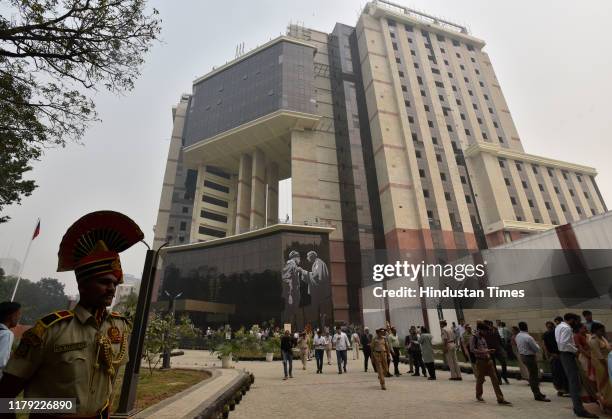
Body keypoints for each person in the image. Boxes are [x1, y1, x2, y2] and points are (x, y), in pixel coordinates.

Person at [0, 211, 141, 418]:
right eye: (103, 282)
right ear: (83, 286)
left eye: (114, 283)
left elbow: (108, 383)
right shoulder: (49, 330)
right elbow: (5, 395)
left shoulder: (118, 327)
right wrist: (62, 408)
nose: (111, 288)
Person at [556, 312, 599, 418]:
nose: (577, 324)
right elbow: (564, 344)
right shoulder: (567, 328)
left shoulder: (559, 326)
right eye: (577, 321)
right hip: (567, 355)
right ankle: (580, 410)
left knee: (574, 382)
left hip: (564, 355)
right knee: (574, 383)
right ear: (571, 320)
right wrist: (575, 350)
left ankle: (577, 408)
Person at [470, 322, 511, 405]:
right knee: (480, 379)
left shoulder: (483, 338)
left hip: (488, 360)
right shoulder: (474, 338)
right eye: (485, 331)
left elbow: (485, 347)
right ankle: (479, 395)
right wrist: (484, 351)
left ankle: (500, 398)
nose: (486, 332)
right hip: (480, 361)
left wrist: (489, 351)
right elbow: (472, 349)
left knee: (495, 379)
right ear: (480, 330)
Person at [514, 322, 550, 402]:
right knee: (534, 376)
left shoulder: (518, 336)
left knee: (532, 374)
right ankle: (537, 394)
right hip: (529, 357)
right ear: (527, 327)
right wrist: (537, 345)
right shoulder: (528, 337)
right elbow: (536, 349)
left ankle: (537, 393)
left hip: (523, 356)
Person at [589, 322, 611, 413]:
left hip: (607, 362)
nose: (603, 332)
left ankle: (609, 402)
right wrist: (607, 367)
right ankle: (605, 403)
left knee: (609, 384)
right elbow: (599, 355)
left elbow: (608, 348)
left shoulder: (602, 338)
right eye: (601, 330)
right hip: (601, 364)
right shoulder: (593, 340)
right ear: (595, 330)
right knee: (604, 383)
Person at [543, 320, 569, 397]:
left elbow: (545, 347)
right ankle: (564, 389)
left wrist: (549, 355)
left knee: (557, 373)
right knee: (562, 372)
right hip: (560, 355)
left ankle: (560, 389)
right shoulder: (558, 333)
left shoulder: (546, 334)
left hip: (554, 356)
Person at [483, 320, 509, 384]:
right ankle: (498, 378)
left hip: (498, 349)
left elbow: (499, 338)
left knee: (503, 362)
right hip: (489, 350)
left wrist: (502, 348)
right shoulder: (484, 332)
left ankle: (504, 375)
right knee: (493, 366)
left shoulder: (495, 329)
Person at [0, 302, 21, 379]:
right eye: (18, 314)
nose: (19, 318)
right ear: (10, 316)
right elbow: (2, 361)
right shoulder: (7, 334)